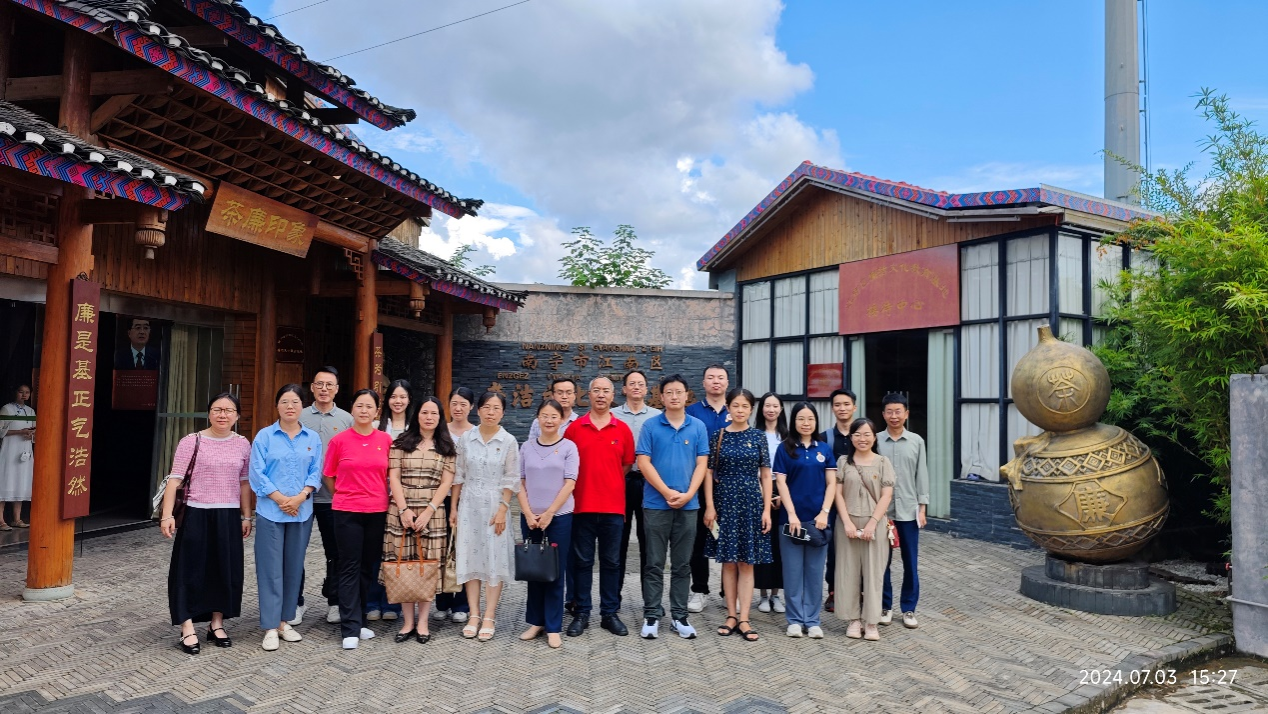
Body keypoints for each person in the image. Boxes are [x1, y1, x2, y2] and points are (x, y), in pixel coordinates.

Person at [158, 393, 252, 654]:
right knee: (189, 570)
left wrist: (246, 516)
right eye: (217, 409)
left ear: (237, 415)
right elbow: (175, 480)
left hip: (228, 515)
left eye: (229, 410)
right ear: (209, 413)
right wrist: (167, 515)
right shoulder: (192, 441)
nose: (223, 415)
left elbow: (244, 483)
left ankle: (216, 623)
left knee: (224, 569)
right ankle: (187, 626)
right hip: (196, 513)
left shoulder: (243, 444)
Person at [249, 384, 323, 651]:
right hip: (271, 512)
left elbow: (316, 471)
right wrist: (281, 499)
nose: (290, 406)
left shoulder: (312, 438)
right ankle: (270, 626)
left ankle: (284, 621)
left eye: (295, 402)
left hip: (301, 512)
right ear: (277, 406)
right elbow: (257, 473)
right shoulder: (265, 436)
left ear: (302, 406)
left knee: (293, 568)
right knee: (270, 569)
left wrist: (300, 497)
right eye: (284, 402)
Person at [635, 374, 709, 640]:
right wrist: (667, 492)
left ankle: (679, 616)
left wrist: (688, 494)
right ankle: (652, 614)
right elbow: (643, 462)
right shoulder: (651, 426)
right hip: (656, 504)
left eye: (679, 392)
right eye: (669, 392)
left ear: (687, 395)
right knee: (654, 563)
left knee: (682, 564)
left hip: (689, 506)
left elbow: (702, 463)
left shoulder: (697, 426)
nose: (674, 396)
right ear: (662, 396)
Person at [564, 376, 635, 638]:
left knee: (611, 562)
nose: (601, 395)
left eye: (606, 391)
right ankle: (582, 612)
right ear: (589, 395)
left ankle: (609, 613)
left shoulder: (622, 429)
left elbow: (626, 464)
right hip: (581, 506)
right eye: (596, 390)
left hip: (613, 507)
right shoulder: (575, 429)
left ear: (613, 395)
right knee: (582, 562)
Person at [323, 388, 394, 650]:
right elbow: (328, 475)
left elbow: (391, 476)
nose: (364, 411)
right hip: (347, 513)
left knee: (368, 567)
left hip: (377, 511)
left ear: (377, 411)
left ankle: (361, 620)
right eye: (359, 406)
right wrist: (345, 496)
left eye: (369, 407)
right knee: (349, 567)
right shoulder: (339, 441)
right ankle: (350, 627)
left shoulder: (385, 440)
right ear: (351, 409)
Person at [384, 396, 456, 644]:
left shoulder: (447, 446)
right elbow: (394, 477)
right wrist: (404, 509)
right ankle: (407, 622)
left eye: (434, 413)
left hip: (432, 513)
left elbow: (446, 482)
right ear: (416, 415)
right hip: (400, 509)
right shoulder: (401, 443)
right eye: (424, 412)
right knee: (404, 564)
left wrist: (428, 511)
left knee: (427, 566)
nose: (429, 417)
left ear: (440, 417)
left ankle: (423, 622)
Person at [703, 388, 772, 642]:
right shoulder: (718, 435)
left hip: (751, 503)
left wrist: (766, 509)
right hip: (724, 502)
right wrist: (710, 505)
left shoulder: (758, 436)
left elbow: (766, 474)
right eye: (736, 405)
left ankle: (744, 618)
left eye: (745, 406)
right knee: (729, 561)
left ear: (751, 410)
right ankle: (730, 615)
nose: (740, 410)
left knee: (746, 562)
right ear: (728, 408)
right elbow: (708, 473)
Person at [451, 391, 520, 642]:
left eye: (496, 408)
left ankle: (489, 615)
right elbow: (458, 474)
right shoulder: (466, 439)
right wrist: (453, 508)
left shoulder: (508, 440)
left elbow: (512, 478)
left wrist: (503, 509)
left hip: (495, 506)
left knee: (494, 559)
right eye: (486, 407)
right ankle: (474, 614)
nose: (491, 412)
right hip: (469, 505)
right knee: (470, 558)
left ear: (503, 412)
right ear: (478, 410)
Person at [517, 399, 578, 649]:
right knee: (533, 569)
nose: (549, 420)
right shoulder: (526, 447)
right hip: (530, 518)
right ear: (538, 418)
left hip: (559, 517)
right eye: (544, 415)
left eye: (554, 416)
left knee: (555, 572)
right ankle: (536, 621)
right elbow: (519, 481)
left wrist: (550, 513)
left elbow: (570, 483)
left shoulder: (569, 447)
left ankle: (553, 626)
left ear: (561, 420)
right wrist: (527, 513)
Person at [772, 402, 836, 639]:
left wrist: (825, 512)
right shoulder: (785, 448)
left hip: (818, 521)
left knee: (814, 572)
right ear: (793, 421)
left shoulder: (824, 449)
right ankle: (795, 620)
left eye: (810, 419)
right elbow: (781, 483)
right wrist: (791, 514)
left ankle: (813, 620)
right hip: (790, 521)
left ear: (816, 421)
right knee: (792, 572)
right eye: (801, 419)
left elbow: (832, 483)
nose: (806, 423)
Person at [833, 418, 895, 642]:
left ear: (874, 437)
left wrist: (872, 524)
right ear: (851, 438)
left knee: (873, 574)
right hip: (846, 524)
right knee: (847, 572)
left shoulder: (883, 462)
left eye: (867, 434)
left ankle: (871, 621)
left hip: (875, 525)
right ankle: (853, 620)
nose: (862, 439)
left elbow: (886, 495)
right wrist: (847, 523)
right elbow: (837, 493)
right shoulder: (843, 462)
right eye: (857, 434)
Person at [300, 366, 353, 626]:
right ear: (312, 387)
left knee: (335, 552)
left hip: (333, 497)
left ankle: (334, 601)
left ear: (337, 389)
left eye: (329, 385)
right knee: (295, 551)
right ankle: (295, 602)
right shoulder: (298, 415)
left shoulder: (346, 419)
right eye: (319, 384)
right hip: (300, 498)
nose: (324, 389)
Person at [877, 393, 929, 630]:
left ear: (906, 413)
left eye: (898, 411)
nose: (894, 416)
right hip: (883, 512)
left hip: (909, 510)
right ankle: (885, 606)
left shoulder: (916, 441)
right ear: (883, 414)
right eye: (889, 411)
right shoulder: (876, 440)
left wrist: (922, 508)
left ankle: (909, 608)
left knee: (910, 561)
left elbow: (922, 475)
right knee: (882, 562)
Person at [365, 379, 412, 623]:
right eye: (394, 396)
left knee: (397, 551)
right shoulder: (376, 426)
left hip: (405, 499)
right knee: (375, 550)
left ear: (409, 400)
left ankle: (393, 602)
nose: (398, 401)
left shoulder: (415, 429)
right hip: (377, 496)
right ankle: (372, 601)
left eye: (403, 397)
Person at [683, 364, 730, 612]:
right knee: (698, 538)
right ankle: (699, 589)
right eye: (710, 377)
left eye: (720, 378)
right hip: (699, 484)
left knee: (729, 537)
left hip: (731, 485)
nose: (716, 381)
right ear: (703, 383)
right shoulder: (692, 412)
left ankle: (728, 591)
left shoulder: (736, 409)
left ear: (727, 383)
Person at [614, 369, 661, 607]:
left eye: (640, 384)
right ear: (624, 389)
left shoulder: (657, 416)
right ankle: (613, 598)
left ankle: (650, 601)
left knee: (649, 542)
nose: (636, 387)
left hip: (648, 483)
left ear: (646, 389)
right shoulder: (612, 415)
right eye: (631, 383)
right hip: (620, 482)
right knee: (618, 542)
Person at [434, 386, 476, 624]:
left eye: (463, 404)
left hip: (467, 498)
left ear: (471, 407)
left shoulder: (476, 433)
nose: (458, 408)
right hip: (440, 497)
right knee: (440, 548)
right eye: (454, 403)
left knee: (463, 550)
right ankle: (442, 601)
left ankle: (461, 604)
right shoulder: (440, 431)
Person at [820, 389, 858, 614]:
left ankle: (858, 592)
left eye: (846, 404)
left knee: (858, 548)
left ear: (854, 407)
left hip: (859, 502)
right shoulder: (825, 437)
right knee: (833, 550)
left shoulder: (864, 434)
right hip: (833, 504)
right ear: (832, 408)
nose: (842, 408)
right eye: (837, 404)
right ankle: (834, 591)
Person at [754, 392, 786, 614]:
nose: (771, 409)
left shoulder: (787, 436)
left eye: (775, 406)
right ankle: (763, 595)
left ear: (781, 409)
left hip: (783, 491)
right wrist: (763, 494)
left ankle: (776, 594)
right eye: (767, 405)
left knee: (779, 545)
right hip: (757, 489)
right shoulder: (755, 434)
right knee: (761, 543)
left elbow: (791, 468)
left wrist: (782, 494)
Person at [0, 385, 35, 530]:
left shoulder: (31, 411)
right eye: (21, 392)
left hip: (24, 450)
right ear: (15, 392)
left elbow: (35, 430)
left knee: (21, 482)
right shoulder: (6, 409)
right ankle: (1, 520)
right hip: (9, 450)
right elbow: (0, 430)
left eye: (27, 392)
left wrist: (31, 434)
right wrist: (19, 432)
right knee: (5, 482)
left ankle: (17, 518)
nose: (24, 395)